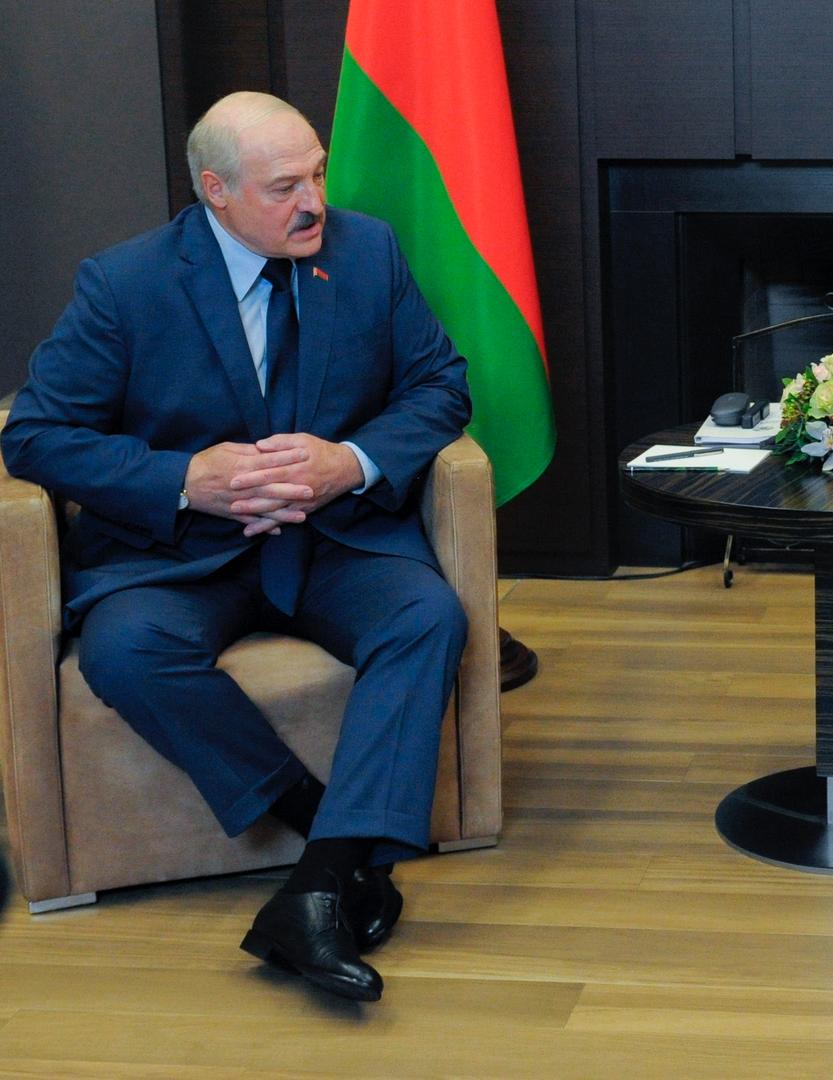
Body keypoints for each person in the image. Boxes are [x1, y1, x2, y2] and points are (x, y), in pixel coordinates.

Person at [1, 91, 472, 1003]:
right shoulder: (126, 283)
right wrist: (186, 481)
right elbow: (38, 434)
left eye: (320, 174)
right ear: (215, 191)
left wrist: (351, 461)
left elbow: (440, 388)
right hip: (186, 555)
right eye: (284, 185)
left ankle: (314, 887)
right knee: (126, 648)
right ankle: (325, 837)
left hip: (335, 539)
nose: (314, 203)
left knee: (427, 615)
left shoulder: (367, 252)